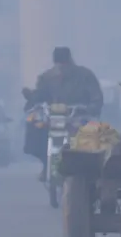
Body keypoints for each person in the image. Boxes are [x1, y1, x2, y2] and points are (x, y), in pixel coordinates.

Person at [22, 47, 104, 180]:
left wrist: (91, 108)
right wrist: (31, 98)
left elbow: (96, 97)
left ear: (70, 61)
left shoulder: (85, 76)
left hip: (78, 117)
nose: (61, 69)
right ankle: (45, 163)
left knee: (90, 137)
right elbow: (39, 96)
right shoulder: (46, 77)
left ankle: (89, 170)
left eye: (64, 65)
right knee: (35, 130)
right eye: (58, 65)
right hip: (54, 119)